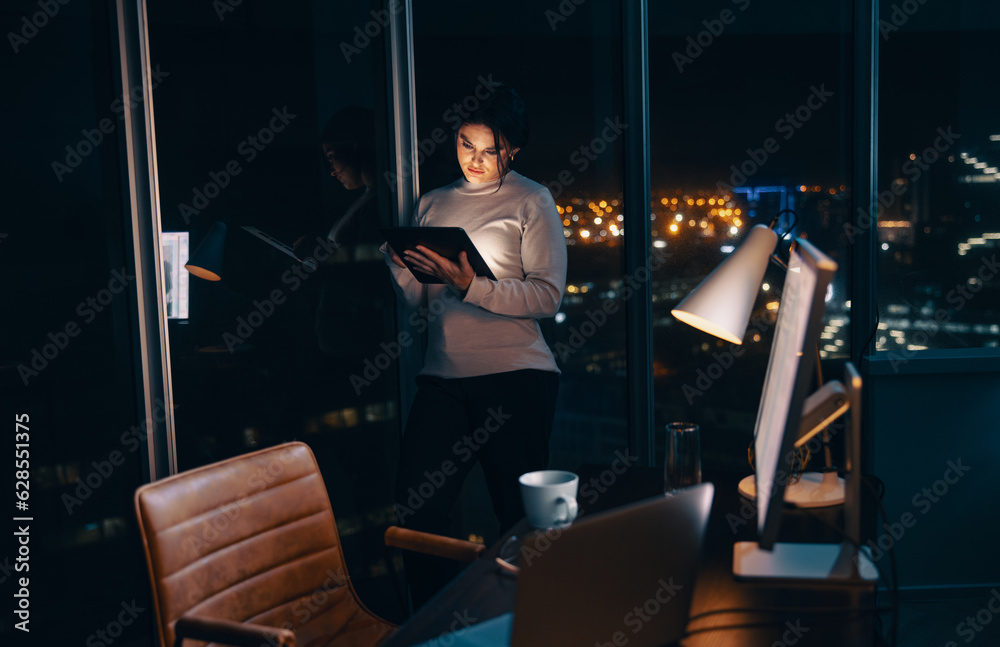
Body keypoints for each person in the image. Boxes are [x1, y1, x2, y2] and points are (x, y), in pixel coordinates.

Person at [383, 84, 567, 607]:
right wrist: (400, 265)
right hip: (443, 376)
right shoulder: (433, 203)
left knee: (517, 517)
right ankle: (434, 624)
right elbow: (418, 301)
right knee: (418, 509)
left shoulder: (532, 199)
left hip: (518, 375)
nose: (477, 160)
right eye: (467, 145)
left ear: (512, 150)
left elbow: (547, 295)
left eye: (491, 150)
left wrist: (471, 285)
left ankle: (533, 623)